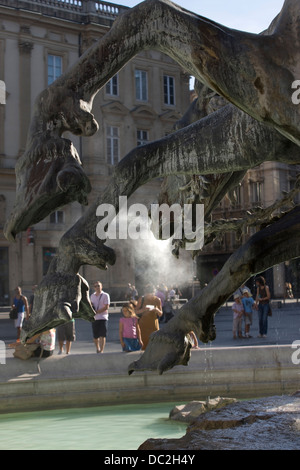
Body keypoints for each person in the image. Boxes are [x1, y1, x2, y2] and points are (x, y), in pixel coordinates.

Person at [136, 286, 163, 350]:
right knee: (144, 344)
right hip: (143, 324)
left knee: (154, 343)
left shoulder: (157, 300)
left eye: (151, 295)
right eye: (148, 295)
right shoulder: (141, 299)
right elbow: (135, 312)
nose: (149, 297)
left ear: (154, 293)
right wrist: (143, 309)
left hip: (153, 324)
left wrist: (156, 309)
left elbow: (161, 313)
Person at [90, 281, 110, 353]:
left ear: (101, 286)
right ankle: (97, 348)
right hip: (95, 318)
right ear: (94, 288)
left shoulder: (105, 295)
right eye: (95, 286)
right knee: (95, 336)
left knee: (102, 335)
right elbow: (91, 305)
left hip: (103, 317)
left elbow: (106, 307)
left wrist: (97, 312)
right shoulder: (92, 296)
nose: (97, 287)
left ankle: (101, 350)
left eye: (98, 286)